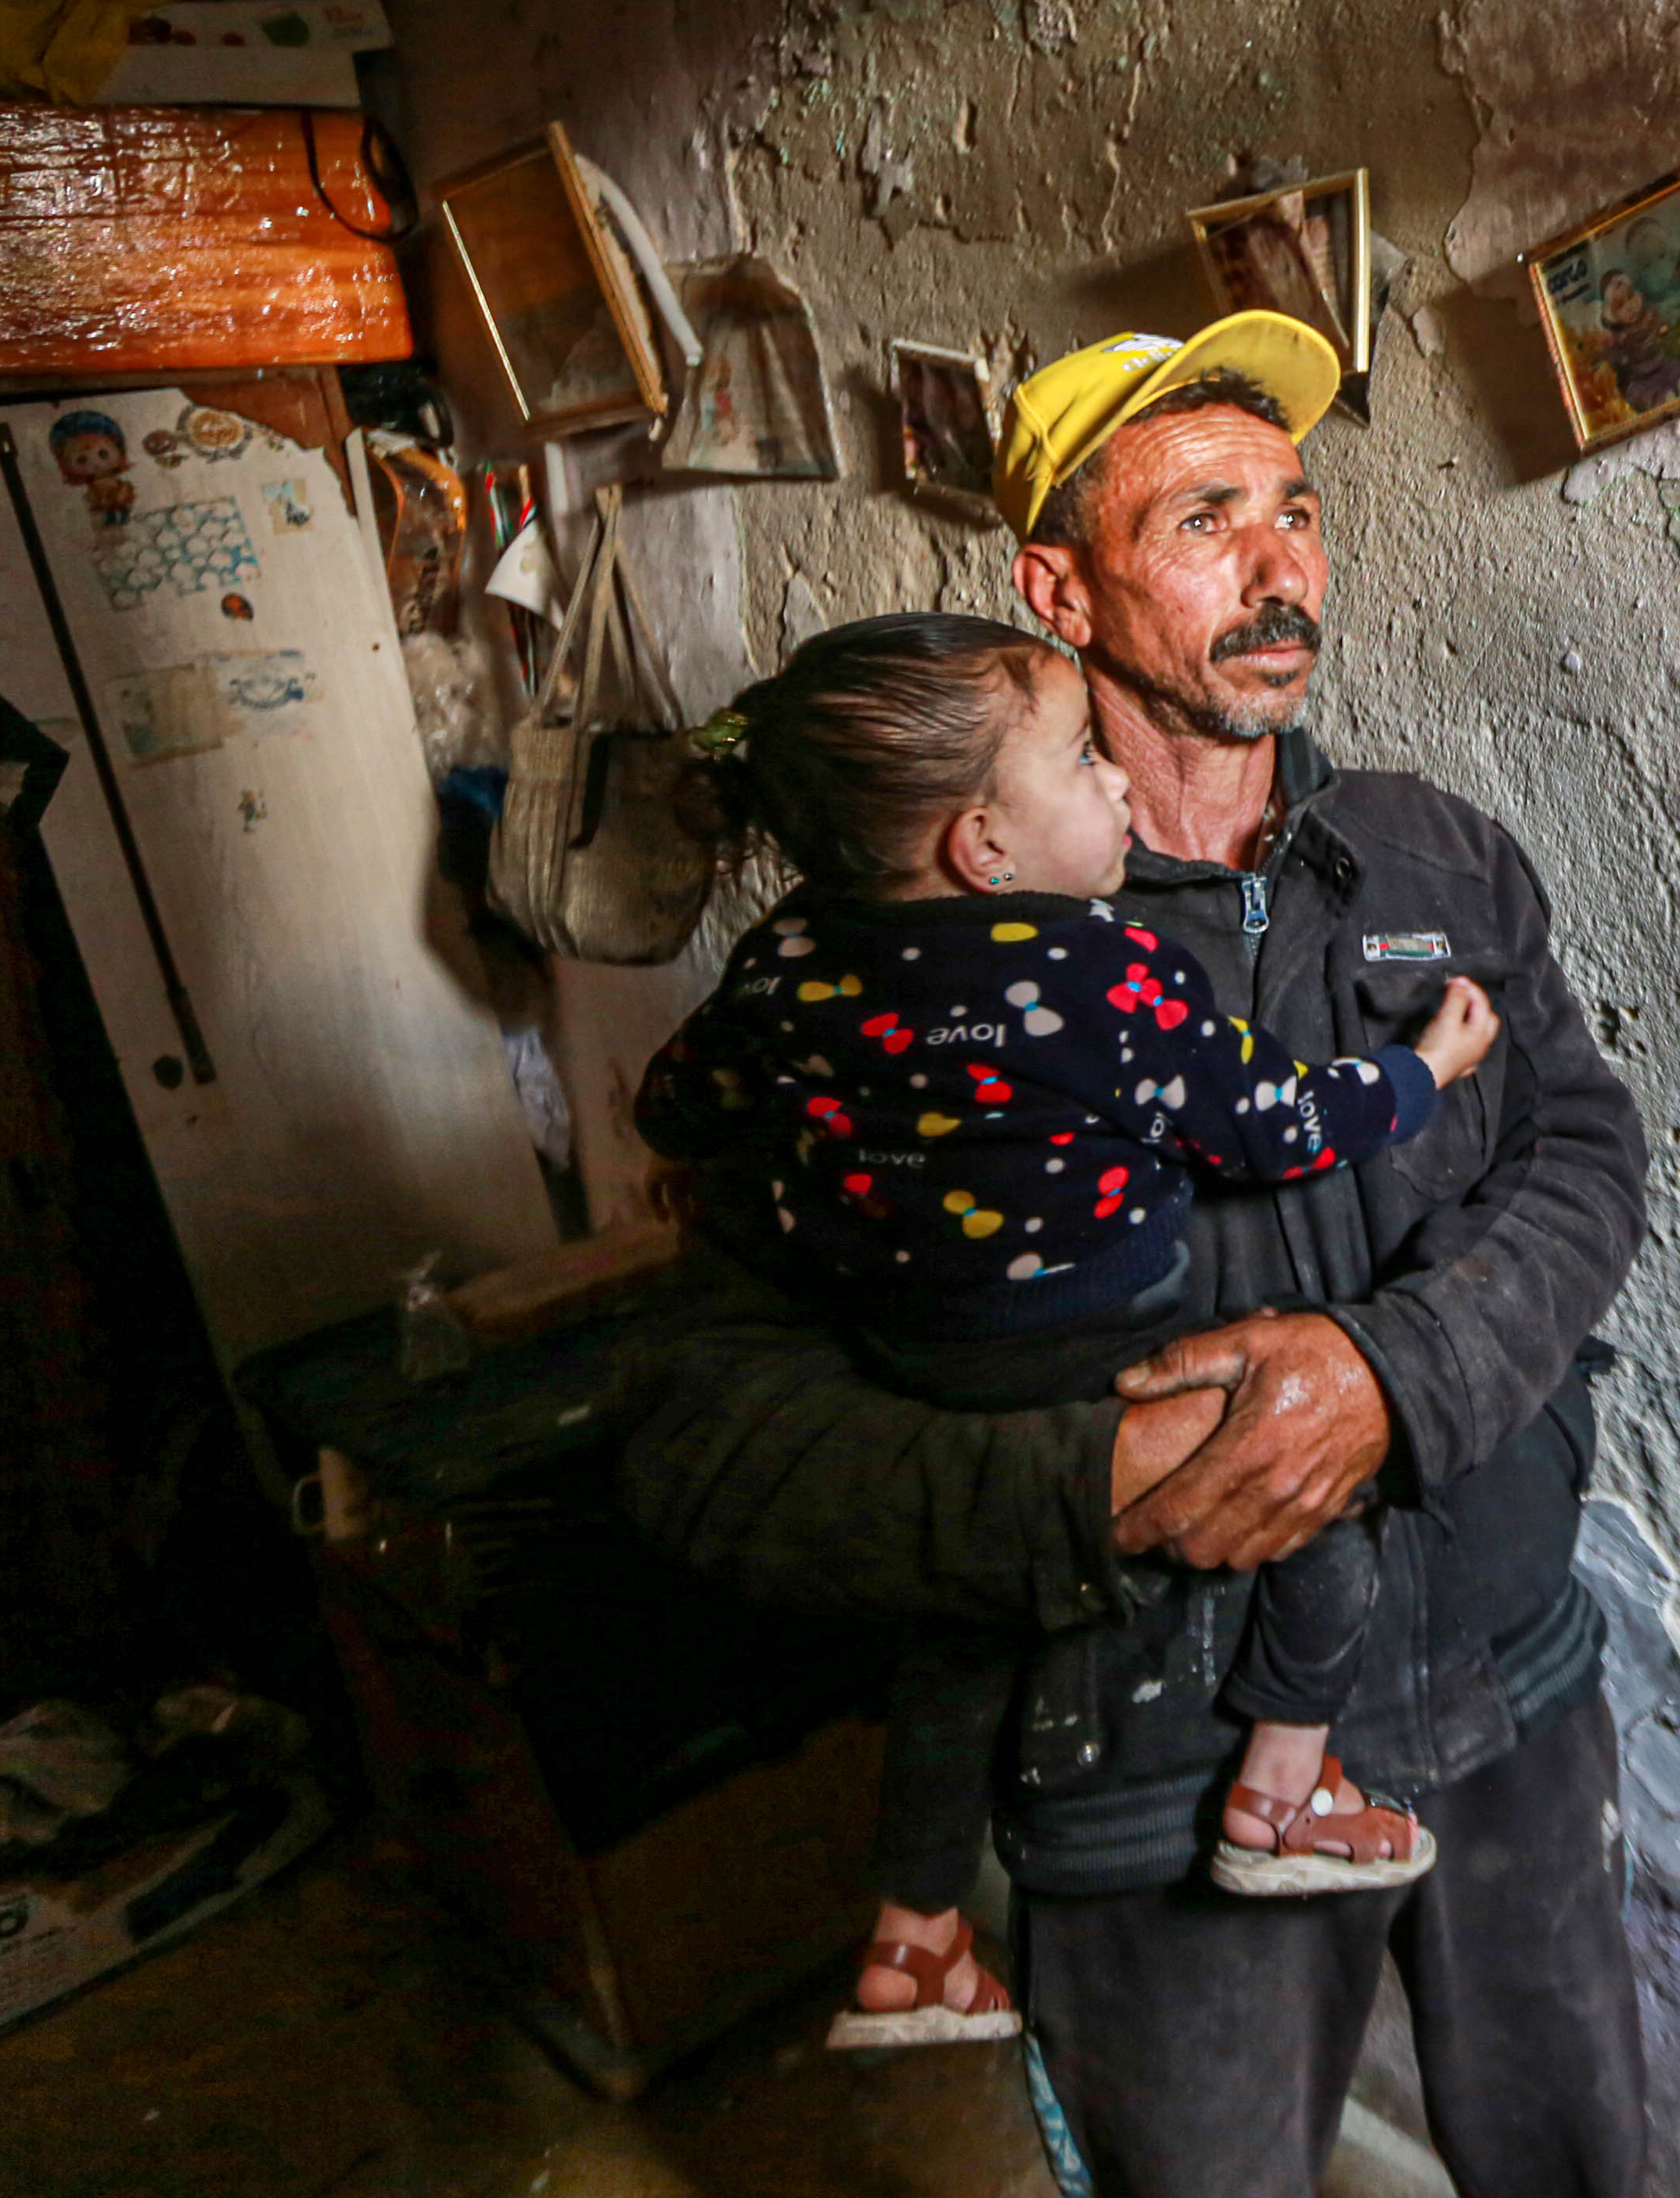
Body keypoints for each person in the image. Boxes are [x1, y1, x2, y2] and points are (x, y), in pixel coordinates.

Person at [620, 310, 1651, 2198]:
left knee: (1578, 2162)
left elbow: (1585, 1146)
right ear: (1058, 590)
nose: (1281, 569)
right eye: (1203, 519)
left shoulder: (1433, 860)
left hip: (1505, 1680)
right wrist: (1083, 1485)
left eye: (1299, 511)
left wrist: (1391, 1378)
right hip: (1140, 1768)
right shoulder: (907, 962)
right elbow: (712, 1437)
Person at [635, 611, 1506, 2051]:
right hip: (1104, 1345)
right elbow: (1271, 1126)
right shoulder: (1096, 970)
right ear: (984, 846)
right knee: (1329, 1495)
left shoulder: (785, 953)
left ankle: (914, 1938)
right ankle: (1286, 1789)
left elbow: (685, 1098)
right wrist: (1419, 1069)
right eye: (1082, 762)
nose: (1113, 788)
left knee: (959, 1638)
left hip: (913, 1355)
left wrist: (713, 1149)